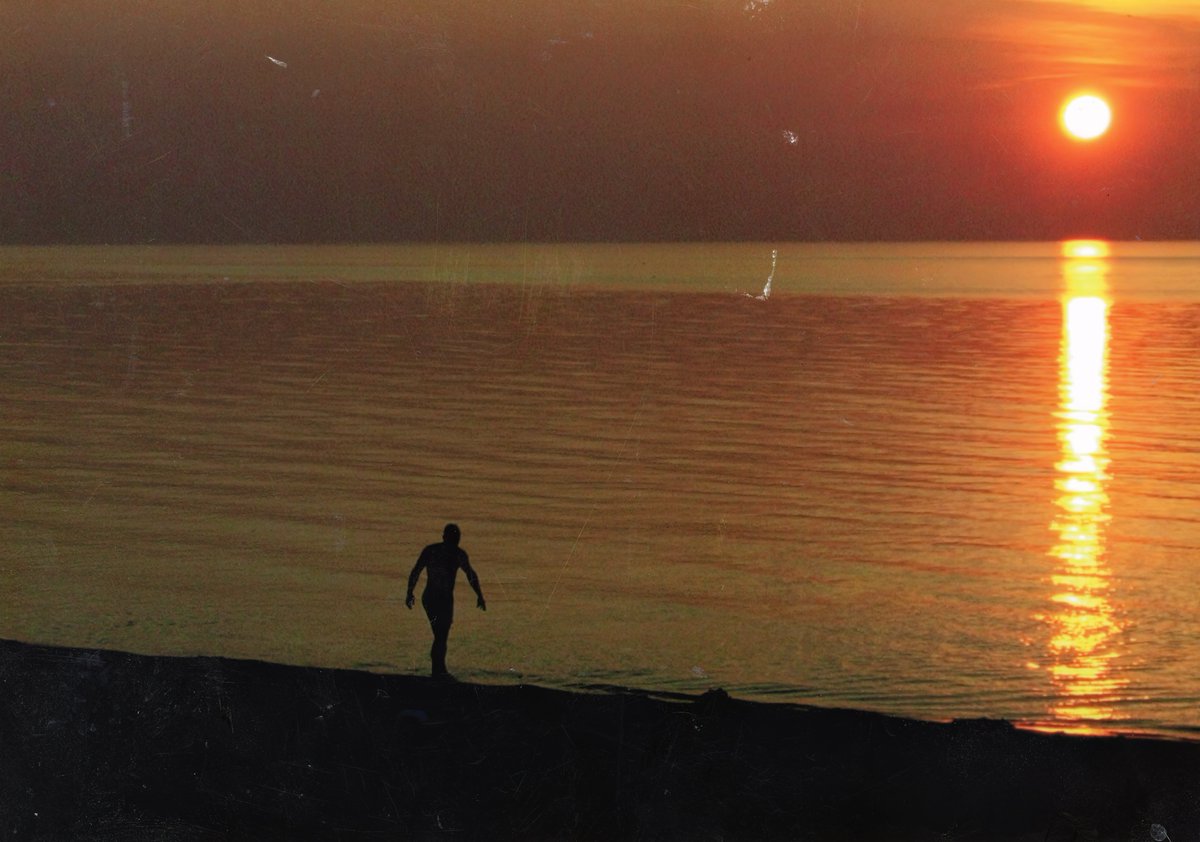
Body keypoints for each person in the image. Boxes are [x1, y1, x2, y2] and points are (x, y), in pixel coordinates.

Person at [406, 523, 486, 678]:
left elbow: (471, 575)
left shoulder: (450, 553)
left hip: (441, 598)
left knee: (441, 635)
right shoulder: (441, 552)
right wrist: (409, 593)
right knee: (440, 635)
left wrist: (479, 595)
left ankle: (439, 669)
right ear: (446, 537)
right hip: (433, 597)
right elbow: (416, 571)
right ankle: (438, 671)